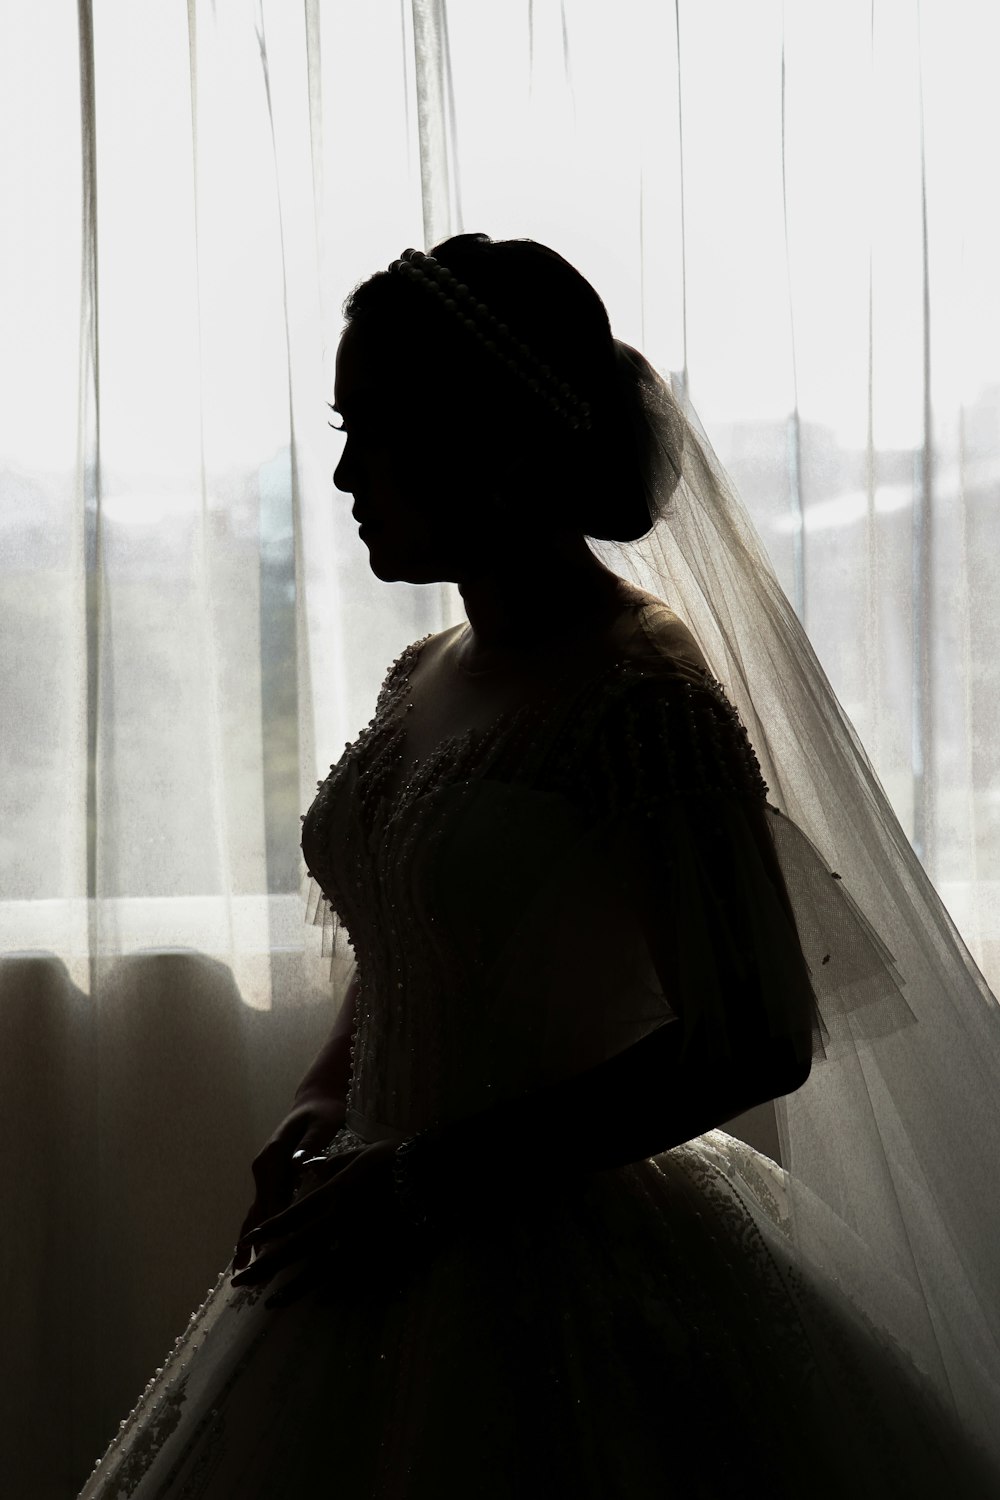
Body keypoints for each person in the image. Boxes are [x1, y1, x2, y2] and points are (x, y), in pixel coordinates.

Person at [77, 235, 1000, 1498]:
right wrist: (319, 1095)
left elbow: (754, 1037)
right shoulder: (425, 674)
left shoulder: (643, 696)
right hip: (373, 1221)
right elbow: (411, 935)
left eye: (372, 432)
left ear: (483, 440)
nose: (343, 474)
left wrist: (425, 1179)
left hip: (568, 1252)